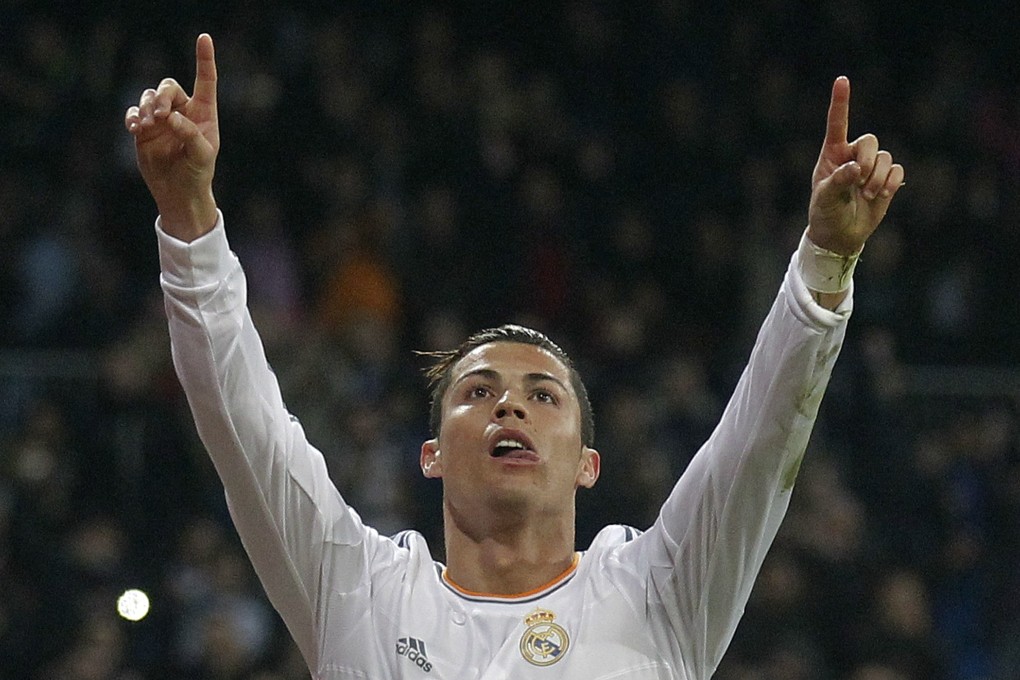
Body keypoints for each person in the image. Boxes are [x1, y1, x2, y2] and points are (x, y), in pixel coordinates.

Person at [125, 33, 904, 680]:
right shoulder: (358, 591)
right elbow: (244, 429)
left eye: (544, 394)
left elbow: (761, 445)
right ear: (430, 454)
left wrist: (826, 263)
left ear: (587, 464)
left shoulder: (659, 593)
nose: (510, 404)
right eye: (478, 391)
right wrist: (190, 218)